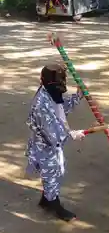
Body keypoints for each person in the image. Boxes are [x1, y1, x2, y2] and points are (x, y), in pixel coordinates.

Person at [26, 63, 85, 221]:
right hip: (45, 145)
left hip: (52, 144)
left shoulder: (51, 93)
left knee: (57, 170)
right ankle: (55, 205)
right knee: (53, 173)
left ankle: (46, 200)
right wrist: (73, 134)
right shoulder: (40, 105)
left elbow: (60, 109)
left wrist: (78, 96)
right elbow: (51, 133)